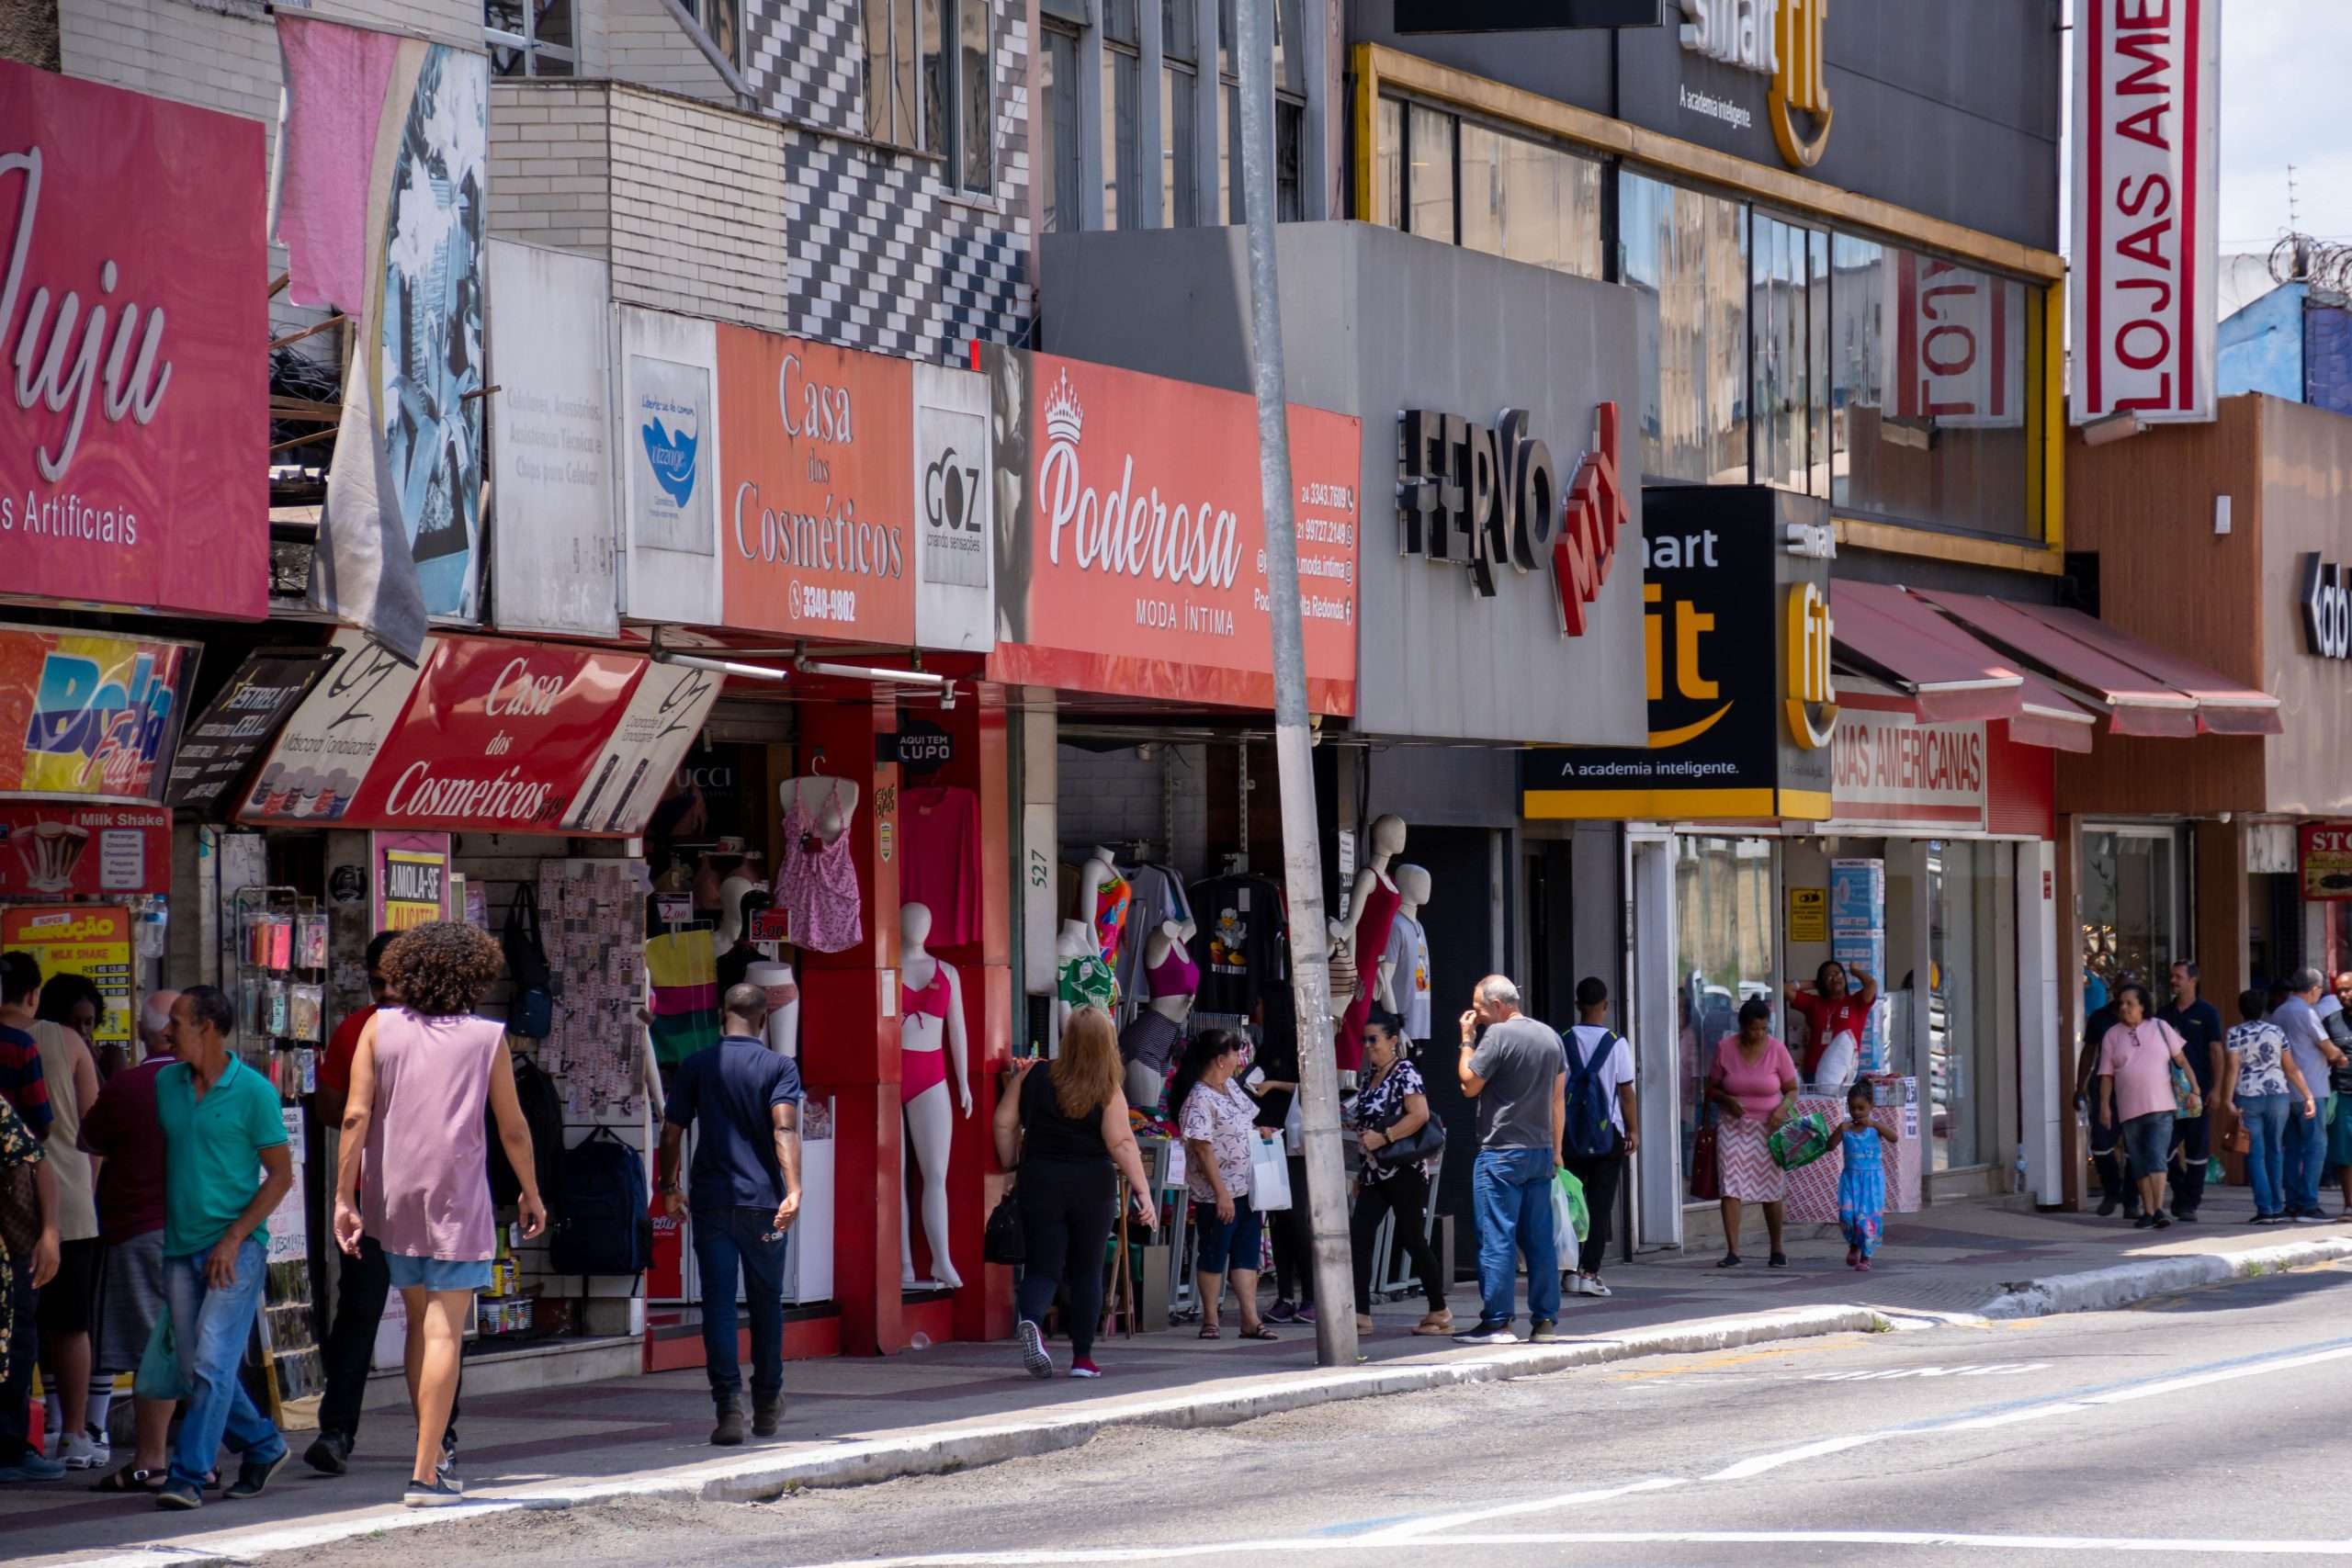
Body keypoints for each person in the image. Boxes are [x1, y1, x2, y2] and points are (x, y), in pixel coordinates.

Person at [334, 923, 546, 1507]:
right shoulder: (486, 1037)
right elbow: (512, 1127)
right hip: (456, 1193)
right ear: (475, 974)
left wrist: (343, 1198)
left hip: (392, 1191)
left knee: (417, 1318)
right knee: (445, 1327)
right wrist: (530, 1190)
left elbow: (355, 1116)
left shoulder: (379, 1027)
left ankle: (434, 1452)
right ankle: (428, 1470)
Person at [309, 931, 467, 1479]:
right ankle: (438, 1439)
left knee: (361, 1313)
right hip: (441, 1197)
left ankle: (339, 1431)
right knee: (435, 1320)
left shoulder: (363, 1028)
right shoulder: (462, 1030)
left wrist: (345, 1188)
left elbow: (337, 1110)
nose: (385, 993)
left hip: (379, 1193)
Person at [153, 986, 294, 1510]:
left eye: (176, 1022)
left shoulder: (253, 1091)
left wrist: (235, 1238)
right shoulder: (166, 1084)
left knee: (213, 1363)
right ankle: (262, 1444)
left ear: (207, 1027)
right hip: (178, 1245)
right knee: (196, 1369)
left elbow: (281, 1177)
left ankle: (187, 1476)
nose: (166, 1031)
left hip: (236, 1246)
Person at [659, 983, 806, 1438]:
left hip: (712, 1202)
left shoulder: (697, 1064)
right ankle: (766, 1402)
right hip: (764, 1204)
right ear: (763, 1020)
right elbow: (785, 1128)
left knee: (719, 1305)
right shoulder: (779, 1066)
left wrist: (669, 1186)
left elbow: (671, 1130)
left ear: (723, 1014)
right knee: (766, 1306)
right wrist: (794, 1189)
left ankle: (728, 1409)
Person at [991, 1007, 1156, 1379]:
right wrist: (1142, 1193)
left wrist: (1011, 1165)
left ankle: (1031, 1320)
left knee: (1042, 1266)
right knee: (1087, 1270)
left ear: (1066, 1039)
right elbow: (1121, 1143)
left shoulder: (1034, 1074)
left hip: (1039, 1178)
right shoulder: (1108, 1087)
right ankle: (1083, 1359)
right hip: (1091, 1184)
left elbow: (1003, 1122)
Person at [77, 994, 182, 1495]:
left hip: (142, 1229)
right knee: (194, 1348)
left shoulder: (133, 1084)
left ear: (156, 1033)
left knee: (153, 1351)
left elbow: (89, 1139)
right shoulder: (223, 1083)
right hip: (208, 1233)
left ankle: (153, 1458)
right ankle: (199, 1457)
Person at [1453, 975, 1566, 1345]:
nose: (1476, 1014)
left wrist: (1466, 1042)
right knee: (1539, 1240)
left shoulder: (1497, 1036)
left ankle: (1498, 1322)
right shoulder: (1551, 1037)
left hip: (1501, 1151)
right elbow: (1557, 1100)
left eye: (1480, 1007)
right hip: (1540, 1151)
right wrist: (1558, 1151)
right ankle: (1545, 1321)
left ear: (1498, 1005)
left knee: (1497, 1237)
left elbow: (1469, 1085)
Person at [28, 973, 104, 1469]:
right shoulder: (69, 1043)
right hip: (72, 1201)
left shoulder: (21, 1040)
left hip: (18, 1203)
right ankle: (74, 1431)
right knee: (72, 1324)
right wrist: (89, 1189)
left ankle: (45, 1425)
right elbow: (95, 1128)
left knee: (30, 1325)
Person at [1171, 1029, 1275, 1341]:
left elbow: (1245, 1122)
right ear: (1220, 1059)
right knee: (1215, 1252)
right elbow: (1202, 1147)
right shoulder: (1199, 1098)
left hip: (1247, 1187)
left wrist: (1261, 1132)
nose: (1238, 1060)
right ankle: (1211, 1319)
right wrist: (1221, 1194)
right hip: (1217, 1192)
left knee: (1245, 1253)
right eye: (1234, 1054)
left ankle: (1249, 1318)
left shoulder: (1229, 1087)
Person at [1349, 1013, 1448, 1337]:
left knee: (1411, 1238)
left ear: (1393, 1041)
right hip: (1374, 1172)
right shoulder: (1369, 1078)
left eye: (1373, 1040)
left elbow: (1419, 1114)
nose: (1367, 1046)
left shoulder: (1405, 1071)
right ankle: (1360, 1312)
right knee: (1359, 1235)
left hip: (1403, 1169)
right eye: (1364, 1040)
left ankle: (1439, 1309)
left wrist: (1386, 1137)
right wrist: (1362, 1173)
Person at [0, 952, 58, 1485]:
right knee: (17, 1326)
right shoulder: (18, 1048)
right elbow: (40, 1129)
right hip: (10, 1211)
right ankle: (11, 1445)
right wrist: (49, 1229)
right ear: (31, 995)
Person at [1561, 976, 1639, 1300]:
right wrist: (1633, 1131)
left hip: (1570, 1135)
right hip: (1609, 1138)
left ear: (1578, 1005)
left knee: (1570, 1204)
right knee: (1599, 1204)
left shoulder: (1562, 1040)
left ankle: (1567, 1270)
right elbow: (1626, 1092)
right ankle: (1589, 1272)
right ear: (1605, 1006)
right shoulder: (1616, 1042)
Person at [1705, 998, 1799, 1269]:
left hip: (1769, 1127)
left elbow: (1792, 1089)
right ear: (1742, 1027)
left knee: (1771, 1187)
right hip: (1733, 1126)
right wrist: (1727, 1100)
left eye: (1763, 1029)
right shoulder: (1725, 1049)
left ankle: (1777, 1249)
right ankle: (1733, 1251)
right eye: (1753, 1028)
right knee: (1730, 1186)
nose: (1758, 1034)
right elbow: (1710, 1089)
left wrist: (1782, 1110)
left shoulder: (1777, 1050)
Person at [2098, 982, 2196, 1231]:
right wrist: (2104, 1106)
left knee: (2155, 1156)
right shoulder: (2112, 1035)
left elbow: (2181, 1060)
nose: (2124, 1008)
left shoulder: (2160, 1027)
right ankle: (2149, 1211)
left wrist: (2195, 1089)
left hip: (2161, 1106)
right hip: (2129, 1108)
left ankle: (2160, 1208)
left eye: (2130, 1003)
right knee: (2138, 1161)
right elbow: (2106, 1074)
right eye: (2121, 1003)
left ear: (2143, 1006)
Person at [2221, 987, 2315, 1224]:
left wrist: (2227, 1099)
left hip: (2248, 1095)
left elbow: (2232, 1068)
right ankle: (2277, 1205)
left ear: (2240, 1010)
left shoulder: (2234, 1033)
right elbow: (2290, 1068)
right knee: (2275, 1151)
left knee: (2256, 1154)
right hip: (2278, 1096)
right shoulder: (2276, 1031)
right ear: (2262, 1009)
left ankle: (2264, 1209)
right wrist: (2308, 1095)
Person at [2270, 970, 2347, 1224]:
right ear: (2313, 989)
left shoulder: (2279, 1012)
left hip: (2286, 1090)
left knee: (2292, 1148)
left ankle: (2292, 1202)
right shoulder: (2306, 1012)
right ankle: (2309, 1203)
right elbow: (2327, 1046)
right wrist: (2339, 1056)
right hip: (2312, 1090)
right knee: (2316, 1146)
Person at [2157, 962, 2225, 1223]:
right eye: (2171, 976)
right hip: (2167, 1092)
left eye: (2179, 976)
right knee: (2166, 1146)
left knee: (2198, 1149)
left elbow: (2216, 1052)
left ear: (2193, 980)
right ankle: (2179, 1188)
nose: (2173, 981)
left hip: (2199, 1092)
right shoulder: (2163, 1014)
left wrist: (2217, 1089)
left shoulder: (2207, 1013)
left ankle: (2190, 1203)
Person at [2074, 975, 2136, 1218]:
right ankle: (2112, 1191)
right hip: (2103, 1089)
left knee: (2134, 1148)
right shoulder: (2100, 1018)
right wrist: (2079, 1087)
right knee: (2100, 1144)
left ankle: (2132, 1200)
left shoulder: (2142, 1021)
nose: (2124, 1000)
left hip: (2133, 1091)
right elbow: (2088, 1053)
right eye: (2121, 991)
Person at [1837, 1082, 1900, 1269]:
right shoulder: (1846, 1129)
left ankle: (1866, 1255)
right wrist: (1839, 1130)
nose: (1856, 1112)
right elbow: (1830, 1146)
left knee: (1867, 1219)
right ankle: (1853, 1245)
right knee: (1847, 1216)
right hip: (1850, 1178)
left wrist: (1875, 1124)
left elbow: (1894, 1138)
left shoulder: (1874, 1128)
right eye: (1852, 1108)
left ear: (1871, 1106)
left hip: (1872, 1180)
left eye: (1861, 1108)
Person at [1785, 961, 1877, 1089]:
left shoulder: (1856, 1002)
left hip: (1844, 1074)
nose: (1835, 978)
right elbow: (1785, 989)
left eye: (1838, 974)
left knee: (1842, 1108)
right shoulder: (1814, 1003)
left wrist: (1854, 971)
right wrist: (1816, 983)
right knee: (1817, 1108)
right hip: (1813, 1071)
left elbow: (1871, 985)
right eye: (1828, 976)